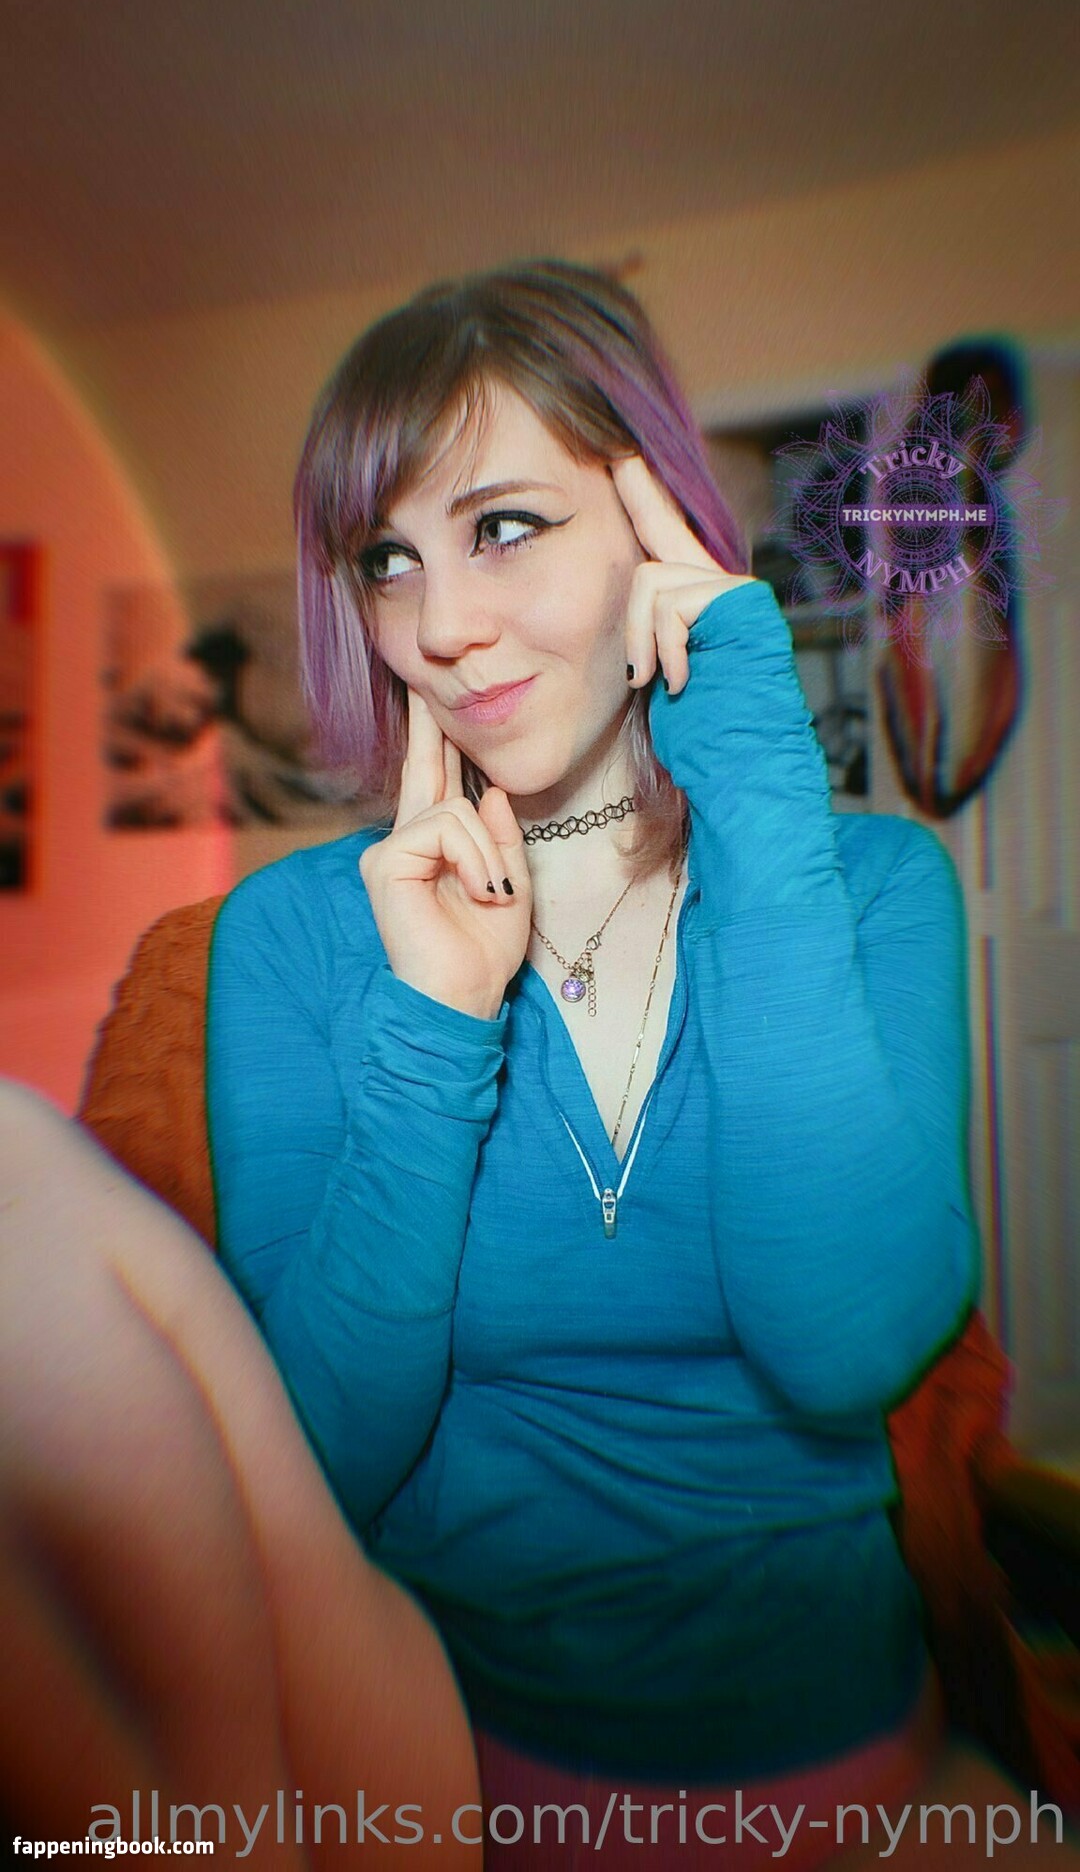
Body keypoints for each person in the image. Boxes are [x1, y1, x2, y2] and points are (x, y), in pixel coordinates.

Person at [0, 260, 1074, 1869]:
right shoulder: (292, 938)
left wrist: (758, 781)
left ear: (661, 534)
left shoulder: (865, 890)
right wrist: (433, 1028)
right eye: (388, 561)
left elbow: (841, 1344)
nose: (439, 629)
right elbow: (319, 1464)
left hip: (852, 1780)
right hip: (437, 1774)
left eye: (505, 526)